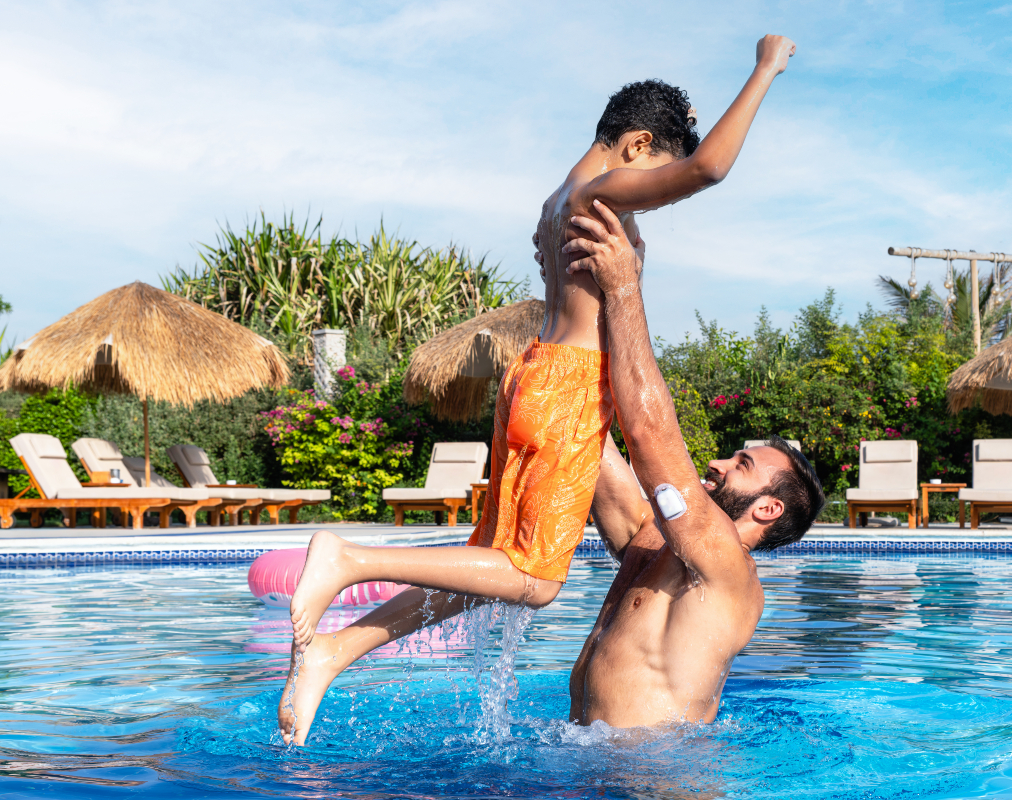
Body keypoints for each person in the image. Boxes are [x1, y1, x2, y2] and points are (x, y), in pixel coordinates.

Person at [280, 34, 798, 745]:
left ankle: (337, 651)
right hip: (568, 387)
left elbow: (631, 441)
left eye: (742, 466)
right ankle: (350, 561)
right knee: (536, 578)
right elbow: (710, 167)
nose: (655, 195)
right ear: (638, 145)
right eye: (658, 173)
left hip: (534, 376)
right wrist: (765, 68)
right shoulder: (601, 194)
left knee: (489, 560)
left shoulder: (559, 201)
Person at [560, 202, 824, 724]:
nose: (719, 461)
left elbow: (647, 430)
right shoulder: (654, 538)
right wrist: (567, 295)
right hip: (589, 761)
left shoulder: (727, 569)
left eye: (742, 464)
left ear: (768, 509)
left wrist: (625, 288)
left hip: (661, 776)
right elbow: (582, 437)